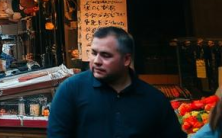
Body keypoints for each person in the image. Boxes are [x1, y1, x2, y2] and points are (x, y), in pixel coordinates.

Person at [46, 26, 184, 138]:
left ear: (126, 60)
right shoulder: (71, 90)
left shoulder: (154, 100)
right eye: (94, 53)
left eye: (106, 55)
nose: (97, 61)